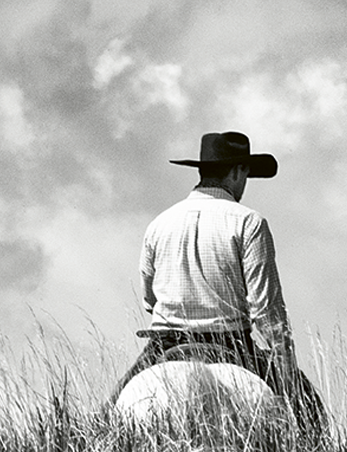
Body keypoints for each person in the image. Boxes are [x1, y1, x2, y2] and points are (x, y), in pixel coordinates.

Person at [119, 129, 324, 435]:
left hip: (166, 341)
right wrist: (287, 366)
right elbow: (266, 310)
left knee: (106, 418)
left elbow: (149, 299)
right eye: (246, 174)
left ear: (202, 171)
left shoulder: (159, 223)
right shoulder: (249, 222)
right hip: (231, 343)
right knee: (309, 416)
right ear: (237, 172)